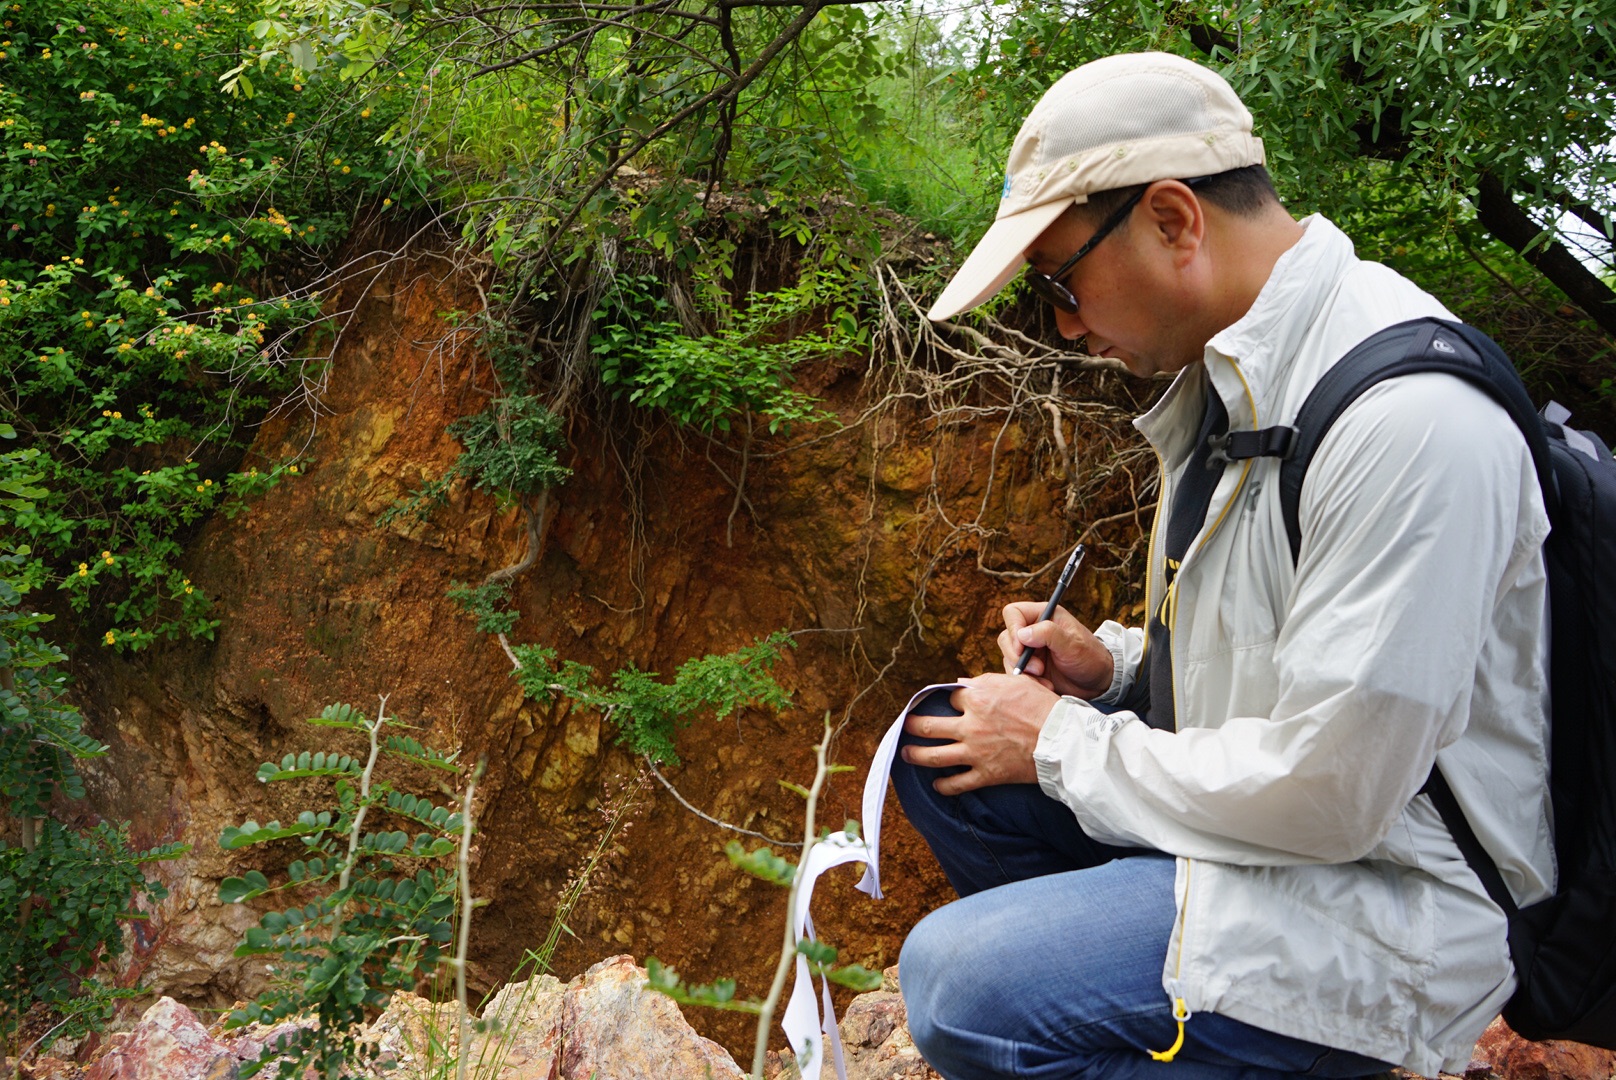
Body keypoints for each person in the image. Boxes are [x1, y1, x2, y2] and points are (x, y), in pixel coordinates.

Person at [890, 52, 1555, 1080]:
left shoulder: (1409, 419)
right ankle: (1158, 1008)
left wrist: (1061, 743)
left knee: (958, 985)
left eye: (1060, 284)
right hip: (1281, 838)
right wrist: (1110, 671)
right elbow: (1278, 644)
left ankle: (1273, 1041)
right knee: (943, 751)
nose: (1062, 324)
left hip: (1384, 901)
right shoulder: (1238, 377)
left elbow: (1331, 789)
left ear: (1171, 220)